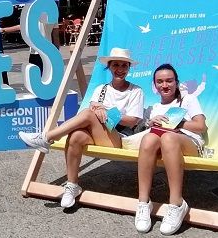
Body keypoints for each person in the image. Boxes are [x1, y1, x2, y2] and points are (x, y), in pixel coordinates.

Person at [19, 47, 144, 208]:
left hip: (120, 138)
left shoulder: (135, 91)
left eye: (124, 66)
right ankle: (72, 186)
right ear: (110, 67)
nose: (120, 69)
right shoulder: (102, 89)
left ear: (129, 68)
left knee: (87, 113)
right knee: (76, 136)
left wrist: (106, 112)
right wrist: (98, 111)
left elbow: (132, 121)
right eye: (116, 65)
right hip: (99, 134)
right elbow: (93, 109)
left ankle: (46, 137)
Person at [134, 64, 207, 236]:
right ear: (154, 85)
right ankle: (143, 202)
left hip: (188, 142)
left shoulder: (188, 99)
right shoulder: (153, 108)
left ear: (176, 82)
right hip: (162, 146)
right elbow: (138, 131)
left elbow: (201, 126)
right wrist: (150, 123)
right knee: (149, 137)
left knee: (168, 137)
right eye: (160, 82)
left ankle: (176, 203)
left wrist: (177, 123)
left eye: (169, 81)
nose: (165, 85)